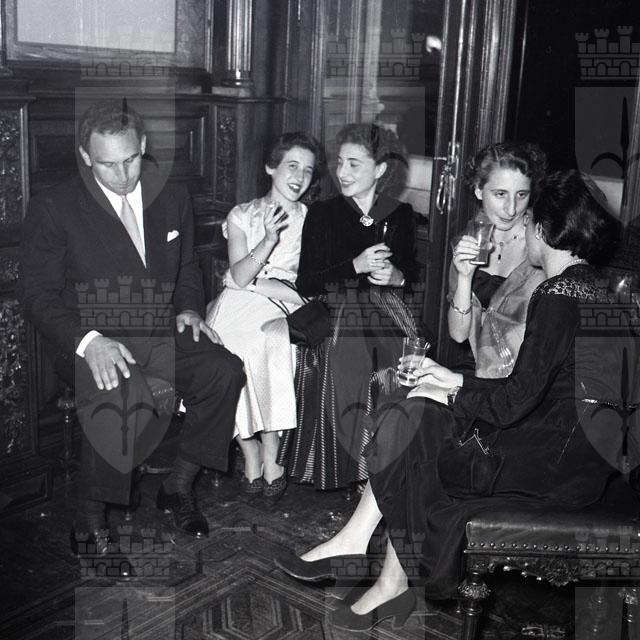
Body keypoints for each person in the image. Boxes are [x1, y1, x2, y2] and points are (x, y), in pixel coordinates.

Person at [276, 170, 635, 632]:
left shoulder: (556, 295)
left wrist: (452, 389)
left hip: (551, 468)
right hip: (574, 456)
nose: (523, 228)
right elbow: (535, 391)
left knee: (413, 420)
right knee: (418, 409)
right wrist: (452, 380)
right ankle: (382, 572)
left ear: (544, 230)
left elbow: (514, 402)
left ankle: (375, 557)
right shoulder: (592, 288)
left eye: (528, 220)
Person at [19, 99, 245, 551]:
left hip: (159, 329)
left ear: (142, 145)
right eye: (107, 164)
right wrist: (90, 342)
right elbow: (37, 296)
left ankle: (178, 485)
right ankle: (89, 521)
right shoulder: (55, 207)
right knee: (118, 390)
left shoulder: (172, 196)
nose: (122, 175)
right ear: (86, 157)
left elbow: (187, 267)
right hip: (90, 338)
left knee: (224, 371)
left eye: (130, 159)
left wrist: (189, 309)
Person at [277, 123, 420, 491]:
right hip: (338, 309)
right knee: (351, 356)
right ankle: (355, 469)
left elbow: (411, 276)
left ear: (380, 169)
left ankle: (387, 467)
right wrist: (354, 266)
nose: (342, 172)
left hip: (386, 308)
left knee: (402, 361)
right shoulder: (323, 213)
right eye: (340, 162)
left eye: (354, 164)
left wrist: (396, 277)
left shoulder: (400, 213)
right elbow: (307, 282)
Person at [205, 132, 325, 498]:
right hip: (237, 302)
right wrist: (269, 239)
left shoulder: (315, 220)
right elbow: (238, 276)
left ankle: (273, 450)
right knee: (226, 345)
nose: (299, 177)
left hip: (283, 301)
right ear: (271, 168)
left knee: (268, 341)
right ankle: (248, 448)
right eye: (292, 166)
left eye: (307, 170)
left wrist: (258, 284)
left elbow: (308, 288)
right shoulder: (242, 215)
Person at [448, 142, 547, 378]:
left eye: (521, 195)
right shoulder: (469, 240)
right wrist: (465, 277)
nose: (511, 209)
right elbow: (458, 335)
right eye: (500, 194)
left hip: (526, 375)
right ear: (478, 190)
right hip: (476, 368)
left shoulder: (543, 243)